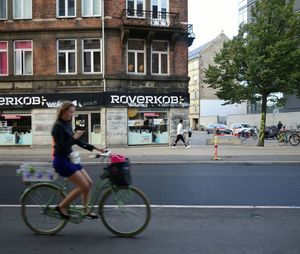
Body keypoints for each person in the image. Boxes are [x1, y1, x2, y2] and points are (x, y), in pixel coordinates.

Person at [51, 101, 105, 219]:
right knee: (84, 185)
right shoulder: (57, 126)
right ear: (63, 111)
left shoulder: (68, 124)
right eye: (71, 112)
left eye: (73, 112)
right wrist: (75, 137)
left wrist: (96, 148)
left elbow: (78, 142)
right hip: (61, 160)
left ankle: (86, 211)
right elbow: (61, 147)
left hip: (70, 158)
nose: (72, 115)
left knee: (89, 183)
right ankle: (61, 207)